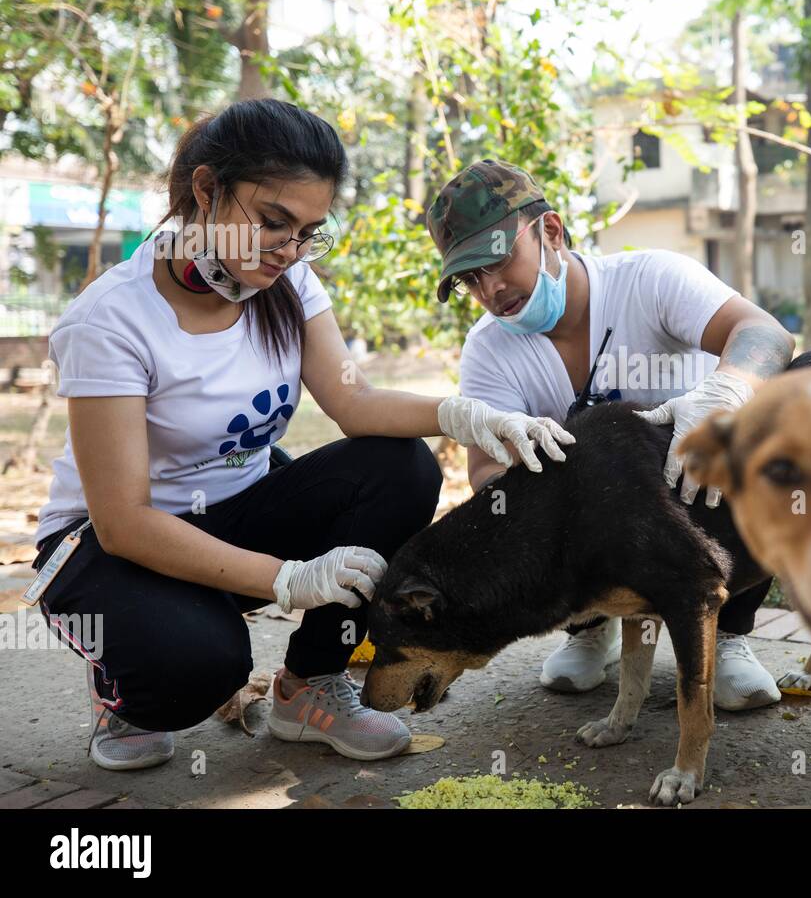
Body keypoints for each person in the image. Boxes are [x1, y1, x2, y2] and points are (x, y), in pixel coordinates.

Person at [31, 99, 573, 771]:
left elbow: (354, 401)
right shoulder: (111, 320)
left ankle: (309, 686)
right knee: (199, 669)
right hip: (113, 551)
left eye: (307, 232)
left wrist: (467, 415)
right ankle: (127, 690)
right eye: (272, 222)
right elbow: (123, 522)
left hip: (230, 514)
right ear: (206, 191)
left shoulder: (289, 282)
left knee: (402, 468)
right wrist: (290, 577)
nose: (288, 251)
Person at [427, 159, 797, 709]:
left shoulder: (651, 279)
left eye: (498, 260)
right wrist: (550, 502)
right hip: (592, 538)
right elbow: (484, 472)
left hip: (699, 489)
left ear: (550, 231)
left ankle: (729, 632)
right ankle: (589, 625)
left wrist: (721, 398)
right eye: (469, 278)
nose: (490, 288)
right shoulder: (489, 348)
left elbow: (764, 334)